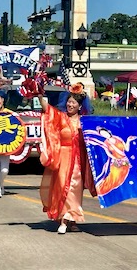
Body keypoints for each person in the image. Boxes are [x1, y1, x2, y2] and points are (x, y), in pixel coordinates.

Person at [39, 83, 97, 234]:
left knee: (75, 189)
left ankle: (71, 220)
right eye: (69, 101)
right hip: (63, 157)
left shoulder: (85, 122)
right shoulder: (60, 117)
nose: (70, 104)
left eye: (74, 103)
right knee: (63, 187)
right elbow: (47, 110)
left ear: (79, 106)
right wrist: (38, 95)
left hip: (78, 160)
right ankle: (64, 219)